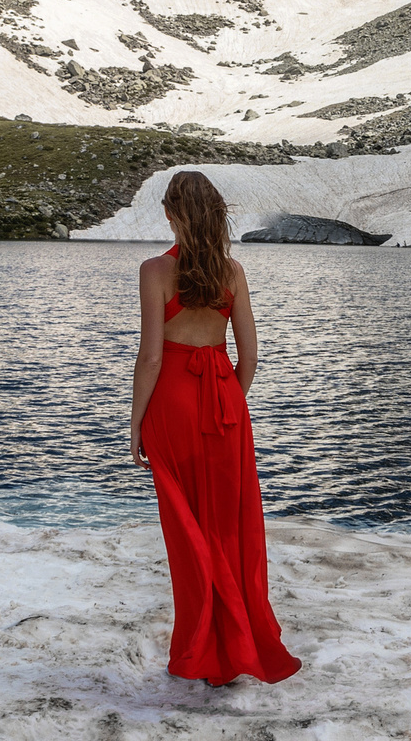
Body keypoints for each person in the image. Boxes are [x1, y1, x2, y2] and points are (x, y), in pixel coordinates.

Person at [127, 170, 301, 687]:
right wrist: (229, 402)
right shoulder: (233, 271)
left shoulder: (155, 270)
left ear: (171, 214)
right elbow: (250, 355)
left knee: (188, 531)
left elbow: (151, 357)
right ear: (217, 214)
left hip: (173, 405)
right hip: (225, 404)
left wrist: (134, 422)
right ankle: (232, 647)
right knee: (229, 527)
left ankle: (200, 650)